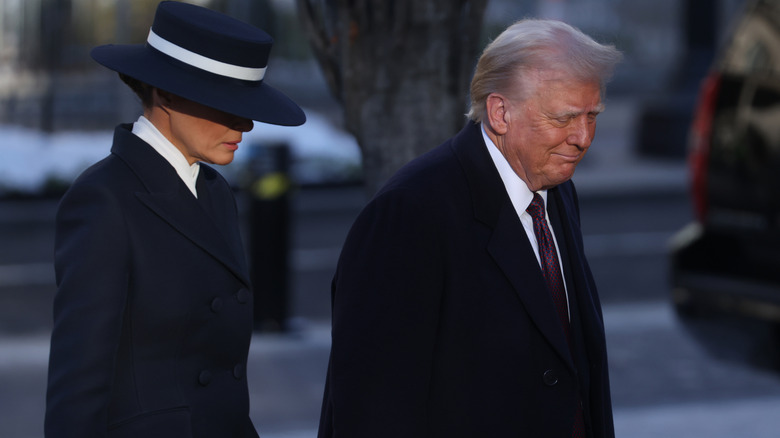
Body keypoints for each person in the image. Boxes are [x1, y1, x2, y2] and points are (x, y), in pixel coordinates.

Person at [317, 19, 622, 438]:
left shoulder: (556, 189)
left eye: (593, 115)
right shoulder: (410, 212)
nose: (583, 137)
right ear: (500, 112)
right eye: (565, 117)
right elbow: (373, 405)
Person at [44, 2, 305, 437]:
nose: (246, 124)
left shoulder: (214, 190)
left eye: (248, 105)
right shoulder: (103, 198)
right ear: (164, 93)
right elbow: (78, 385)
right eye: (225, 104)